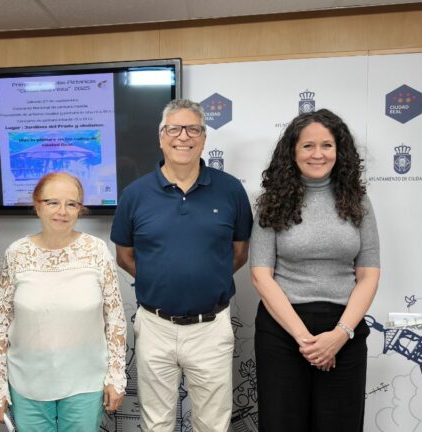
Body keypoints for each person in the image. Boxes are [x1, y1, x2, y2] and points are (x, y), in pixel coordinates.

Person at [110, 99, 253, 431]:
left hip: (211, 327)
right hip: (155, 326)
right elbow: (124, 256)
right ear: (161, 137)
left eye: (193, 129)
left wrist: (204, 279)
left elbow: (240, 252)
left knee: (212, 425)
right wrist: (162, 281)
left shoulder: (230, 190)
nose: (183, 137)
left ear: (203, 138)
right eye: (173, 128)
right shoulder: (135, 194)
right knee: (156, 423)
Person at [250, 108, 380, 431]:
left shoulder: (358, 201)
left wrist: (339, 335)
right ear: (293, 152)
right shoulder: (272, 201)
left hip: (343, 333)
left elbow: (369, 274)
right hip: (283, 332)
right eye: (308, 146)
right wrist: (305, 340)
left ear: (340, 151)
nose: (318, 154)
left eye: (327, 145)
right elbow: (260, 274)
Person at [0, 172, 127, 430]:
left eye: (71, 204)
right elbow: (0, 324)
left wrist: (116, 376)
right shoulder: (16, 254)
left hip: (85, 382)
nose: (62, 211)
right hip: (27, 383)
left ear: (79, 210)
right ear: (37, 205)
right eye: (53, 202)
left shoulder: (96, 251)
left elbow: (115, 319)